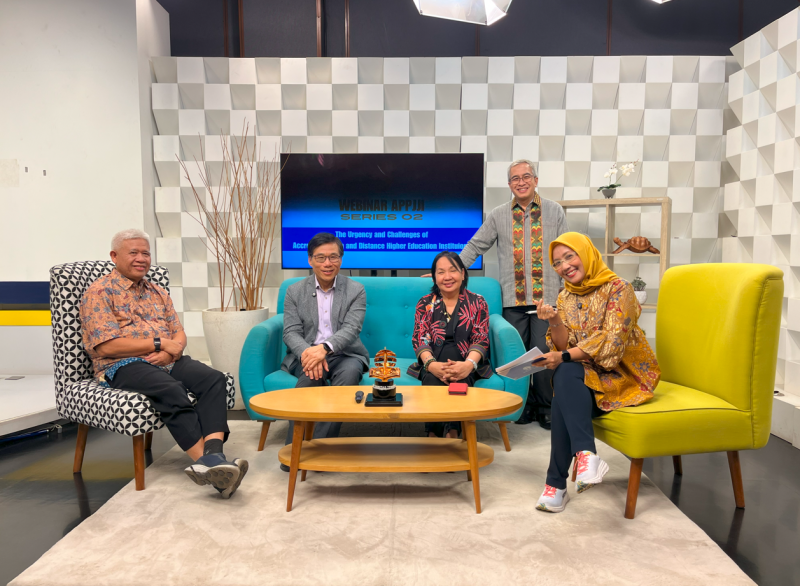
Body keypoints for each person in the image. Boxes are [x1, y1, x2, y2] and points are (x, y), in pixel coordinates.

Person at [80, 229, 247, 498]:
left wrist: (172, 350)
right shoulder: (99, 292)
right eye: (133, 252)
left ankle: (215, 456)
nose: (141, 258)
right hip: (121, 365)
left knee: (213, 379)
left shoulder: (157, 291)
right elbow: (107, 345)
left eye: (145, 253)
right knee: (170, 389)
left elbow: (177, 332)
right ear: (114, 256)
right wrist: (158, 343)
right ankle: (209, 466)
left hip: (167, 359)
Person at [531, 232, 660, 513]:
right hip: (584, 374)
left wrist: (563, 355)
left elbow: (612, 344)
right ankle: (586, 455)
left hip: (623, 376)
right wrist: (554, 321)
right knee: (565, 374)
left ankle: (556, 485)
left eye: (569, 256)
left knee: (564, 379)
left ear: (586, 253)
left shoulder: (619, 288)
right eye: (557, 263)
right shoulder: (565, 295)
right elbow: (564, 345)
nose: (564, 266)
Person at [459, 160, 569, 430]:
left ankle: (545, 406)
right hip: (513, 298)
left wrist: (570, 286)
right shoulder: (498, 214)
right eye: (515, 178)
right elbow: (477, 244)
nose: (521, 182)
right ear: (509, 184)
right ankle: (519, 407)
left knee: (543, 353)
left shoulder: (554, 211)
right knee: (516, 356)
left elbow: (567, 248)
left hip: (548, 297)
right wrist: (452, 270)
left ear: (535, 180)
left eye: (526, 176)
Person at [280, 232, 369, 468]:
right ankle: (294, 451)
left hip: (346, 353)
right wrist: (311, 353)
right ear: (310, 260)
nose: (327, 263)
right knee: (309, 379)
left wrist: (324, 349)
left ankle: (320, 450)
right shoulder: (295, 290)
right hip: (308, 354)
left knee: (349, 375)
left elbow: (352, 329)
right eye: (320, 258)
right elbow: (290, 332)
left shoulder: (356, 289)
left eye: (333, 257)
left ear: (341, 259)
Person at [408, 251, 492, 438]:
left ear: (462, 273)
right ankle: (433, 433)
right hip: (434, 360)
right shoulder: (425, 303)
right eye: (440, 272)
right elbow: (419, 338)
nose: (447, 277)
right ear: (434, 277)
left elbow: (480, 338)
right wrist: (431, 365)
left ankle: (453, 431)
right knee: (430, 379)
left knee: (461, 380)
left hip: (466, 360)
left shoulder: (478, 302)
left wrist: (468, 365)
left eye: (452, 271)